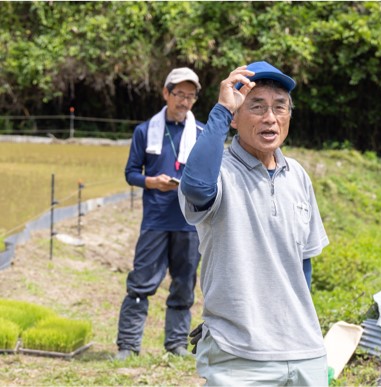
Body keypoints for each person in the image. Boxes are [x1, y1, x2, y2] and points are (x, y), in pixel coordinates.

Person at [178, 61, 330, 385]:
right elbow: (195, 188)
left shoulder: (298, 177)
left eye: (279, 107)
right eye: (256, 107)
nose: (270, 118)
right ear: (235, 117)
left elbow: (303, 265)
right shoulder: (218, 171)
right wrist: (220, 110)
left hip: (304, 350)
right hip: (239, 352)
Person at [115, 67, 204, 360]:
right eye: (180, 94)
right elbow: (131, 173)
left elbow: (209, 174)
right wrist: (151, 182)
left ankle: (177, 344)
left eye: (191, 96)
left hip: (189, 222)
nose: (185, 101)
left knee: (184, 284)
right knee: (141, 282)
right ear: (166, 93)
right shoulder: (144, 131)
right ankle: (128, 345)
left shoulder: (202, 133)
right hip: (155, 218)